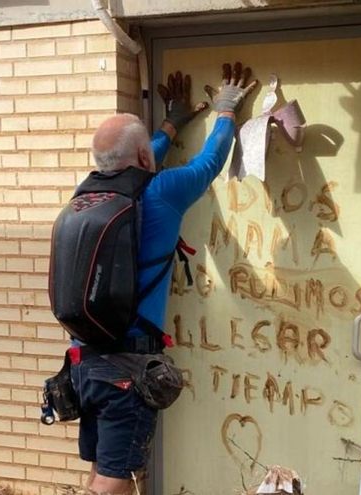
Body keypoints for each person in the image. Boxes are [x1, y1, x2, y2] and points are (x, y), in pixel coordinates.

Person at [71, 62, 258, 495]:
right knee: (116, 480)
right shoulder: (161, 191)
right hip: (127, 368)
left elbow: (141, 156)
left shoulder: (87, 193)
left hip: (85, 363)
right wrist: (227, 109)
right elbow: (209, 162)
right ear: (143, 159)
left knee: (104, 470)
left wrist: (171, 123)